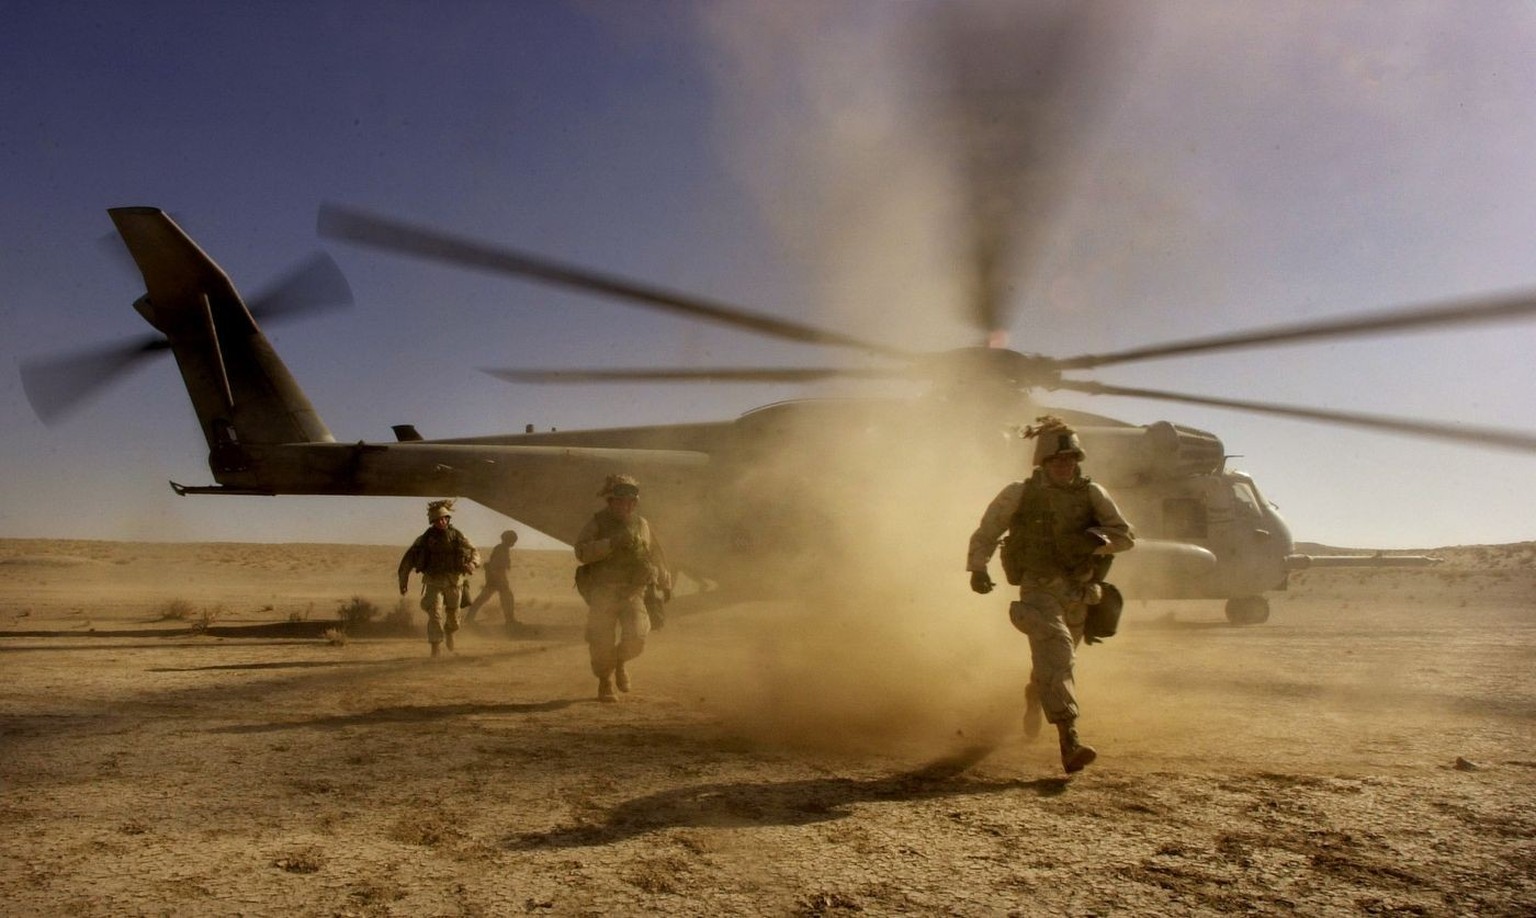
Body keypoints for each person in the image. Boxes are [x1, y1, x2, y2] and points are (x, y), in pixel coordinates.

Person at [967, 416, 1135, 774]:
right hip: (1038, 588)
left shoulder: (1093, 494)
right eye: (1058, 461)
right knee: (1057, 650)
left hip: (1078, 591)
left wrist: (1096, 539)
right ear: (1043, 463)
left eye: (1071, 460)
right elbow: (987, 530)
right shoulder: (1019, 493)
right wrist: (978, 567)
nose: (1065, 466)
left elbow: (1125, 537)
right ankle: (1069, 739)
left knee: (1058, 662)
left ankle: (1034, 693)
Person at [573, 474, 672, 702]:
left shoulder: (642, 524)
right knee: (600, 641)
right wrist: (611, 544)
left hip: (633, 591)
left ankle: (619, 663)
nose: (625, 506)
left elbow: (654, 553)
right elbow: (581, 552)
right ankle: (605, 682)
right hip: (604, 591)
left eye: (630, 502)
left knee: (637, 639)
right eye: (620, 501)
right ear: (611, 502)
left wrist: (664, 583)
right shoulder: (597, 522)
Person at [398, 499, 479, 657]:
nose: (441, 522)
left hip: (455, 582)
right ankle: (435, 646)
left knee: (454, 618)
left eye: (444, 518)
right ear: (432, 521)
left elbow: (474, 551)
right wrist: (403, 582)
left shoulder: (458, 536)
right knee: (435, 614)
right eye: (437, 520)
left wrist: (473, 564)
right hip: (433, 581)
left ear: (448, 519)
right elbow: (407, 561)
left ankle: (449, 632)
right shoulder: (424, 540)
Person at [465, 529, 539, 637]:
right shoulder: (501, 549)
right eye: (513, 540)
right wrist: (499, 580)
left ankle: (470, 618)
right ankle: (509, 620)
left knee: (485, 598)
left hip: (495, 578)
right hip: (497, 579)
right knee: (505, 598)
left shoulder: (502, 548)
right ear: (509, 540)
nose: (514, 542)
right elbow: (495, 566)